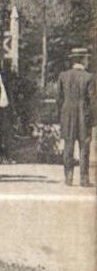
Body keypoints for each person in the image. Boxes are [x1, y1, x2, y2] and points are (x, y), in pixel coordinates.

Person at [56, 48, 94, 187]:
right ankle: (84, 178)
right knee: (84, 147)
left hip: (67, 115)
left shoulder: (63, 76)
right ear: (83, 59)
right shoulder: (89, 77)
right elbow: (93, 101)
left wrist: (61, 114)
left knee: (68, 145)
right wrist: (93, 120)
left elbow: (58, 99)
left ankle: (68, 177)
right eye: (86, 58)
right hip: (84, 116)